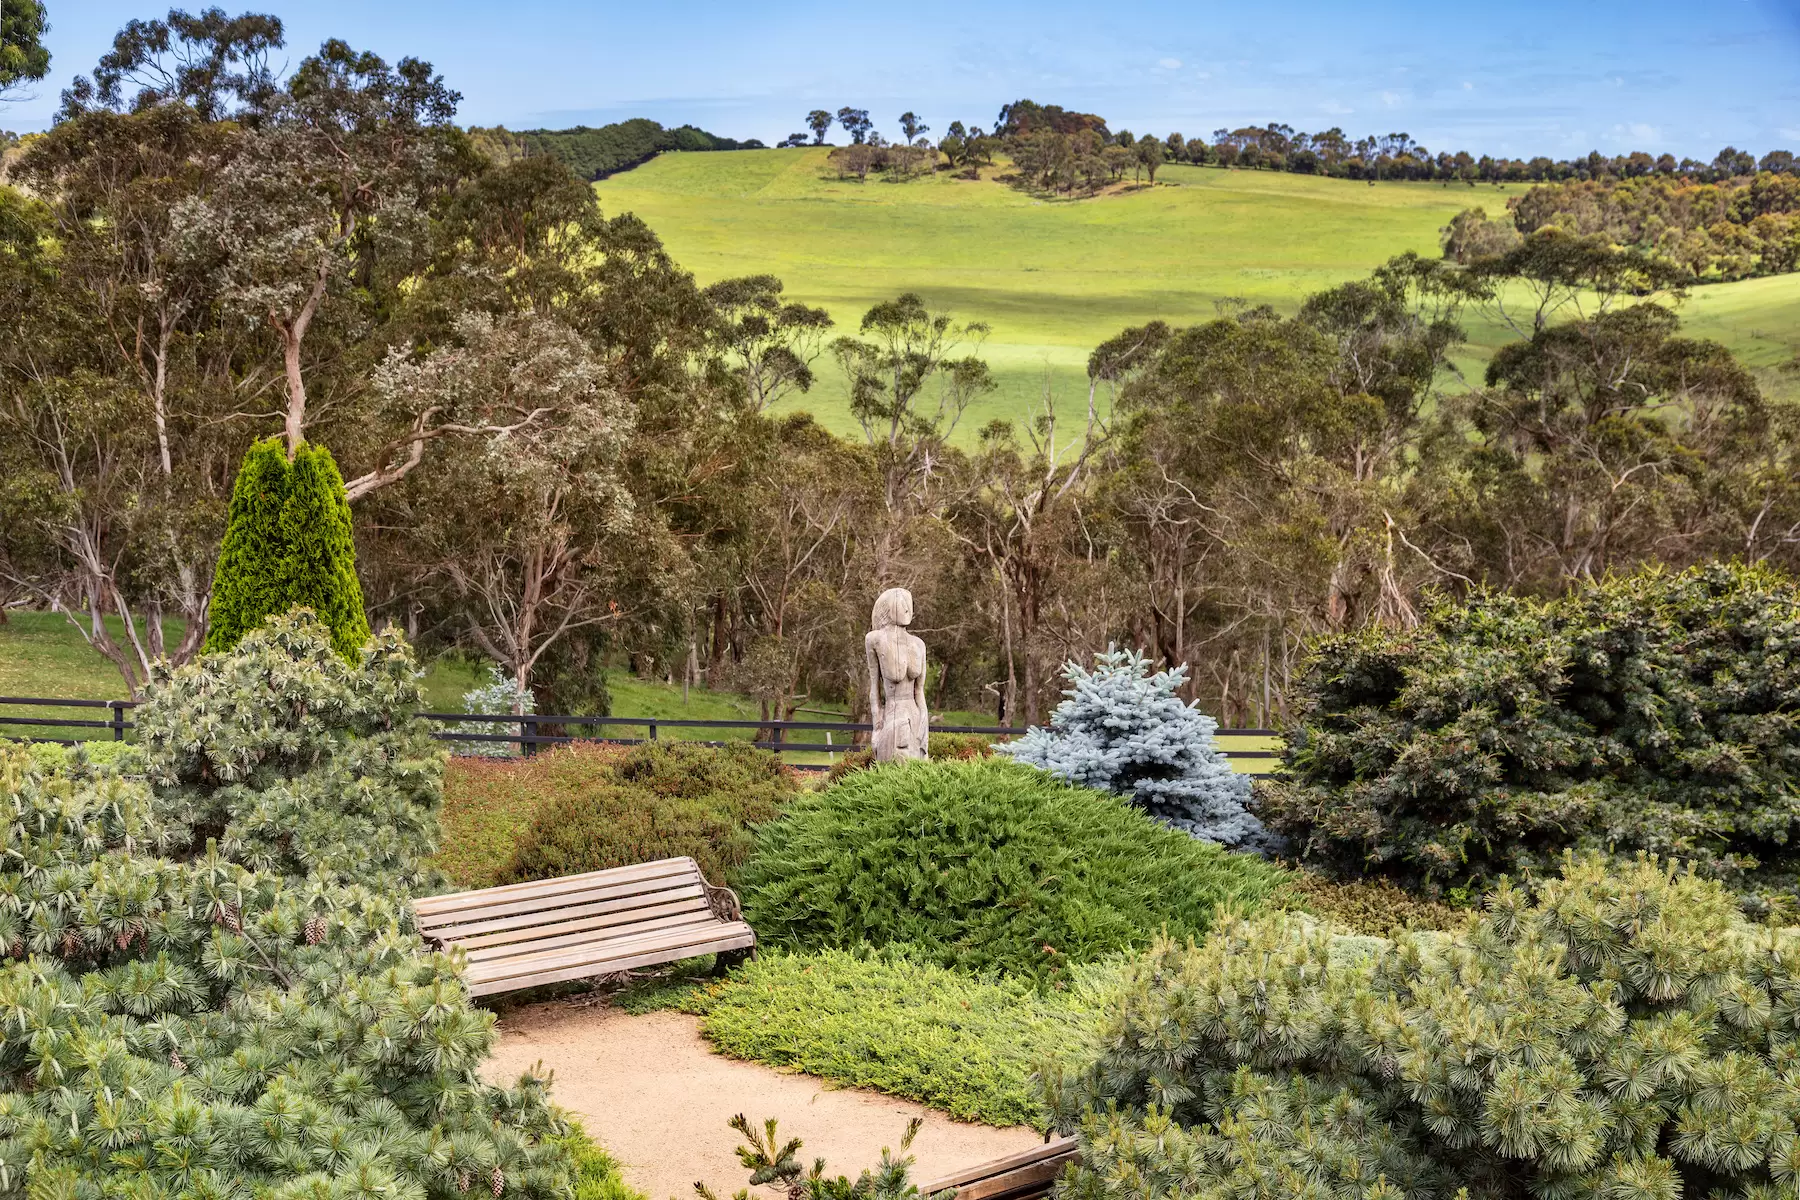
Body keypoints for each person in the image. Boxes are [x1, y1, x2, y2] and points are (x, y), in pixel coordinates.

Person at [865, 587, 928, 761]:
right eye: (903, 604)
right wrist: (877, 728)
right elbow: (874, 689)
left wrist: (924, 722)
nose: (908, 609)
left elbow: (919, 691)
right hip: (892, 714)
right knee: (894, 765)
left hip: (914, 714)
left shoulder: (918, 644)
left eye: (910, 604)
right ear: (888, 608)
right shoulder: (875, 639)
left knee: (916, 770)